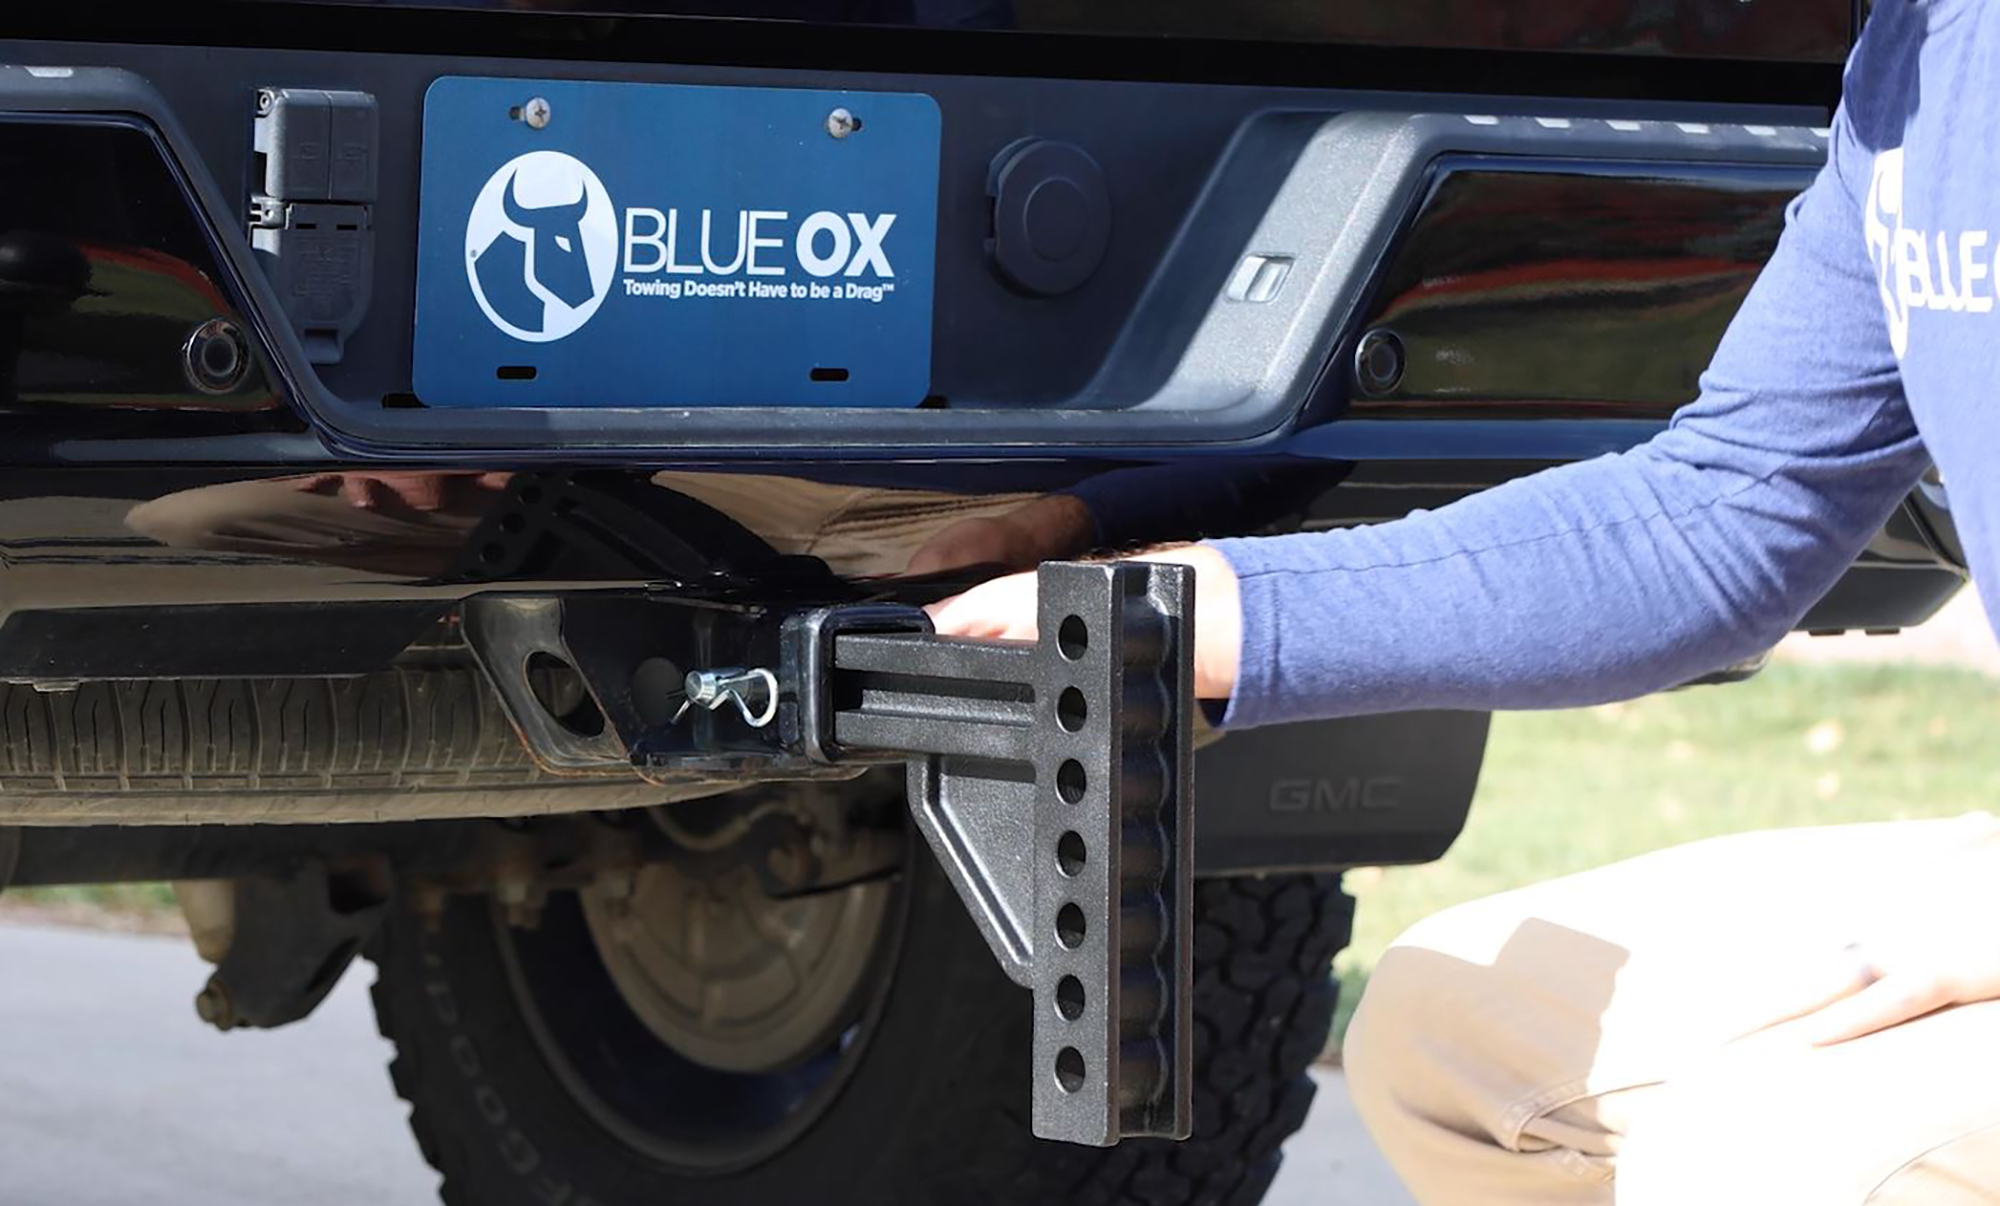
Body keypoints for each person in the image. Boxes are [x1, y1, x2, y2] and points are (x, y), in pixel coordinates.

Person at [928, 3, 2000, 1201]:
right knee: (1441, 1041)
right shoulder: (1915, 61)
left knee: (1762, 1153)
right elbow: (1723, 510)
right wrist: (1199, 611)